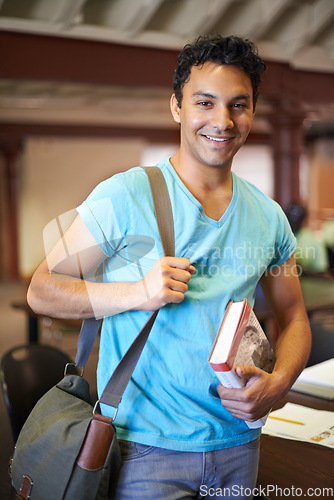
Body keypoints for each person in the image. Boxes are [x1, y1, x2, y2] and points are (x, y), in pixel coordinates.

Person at [27, 35, 311, 499]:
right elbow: (42, 289)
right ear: (177, 106)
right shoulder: (126, 194)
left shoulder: (268, 216)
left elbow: (296, 316)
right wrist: (137, 292)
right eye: (206, 102)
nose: (222, 120)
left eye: (238, 105)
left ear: (254, 111)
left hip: (240, 443)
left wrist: (280, 383)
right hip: (144, 446)